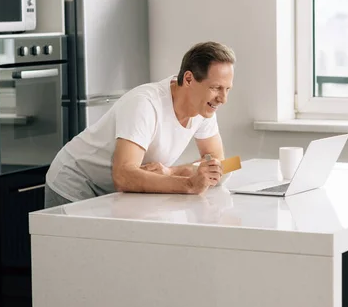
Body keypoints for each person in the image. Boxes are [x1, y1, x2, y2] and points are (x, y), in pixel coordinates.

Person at [44, 41, 236, 208]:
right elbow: (123, 176)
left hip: (115, 190)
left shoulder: (205, 108)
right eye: (216, 88)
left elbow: (220, 164)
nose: (223, 99)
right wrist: (188, 184)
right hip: (76, 180)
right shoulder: (145, 104)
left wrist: (171, 171)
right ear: (188, 79)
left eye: (227, 89)